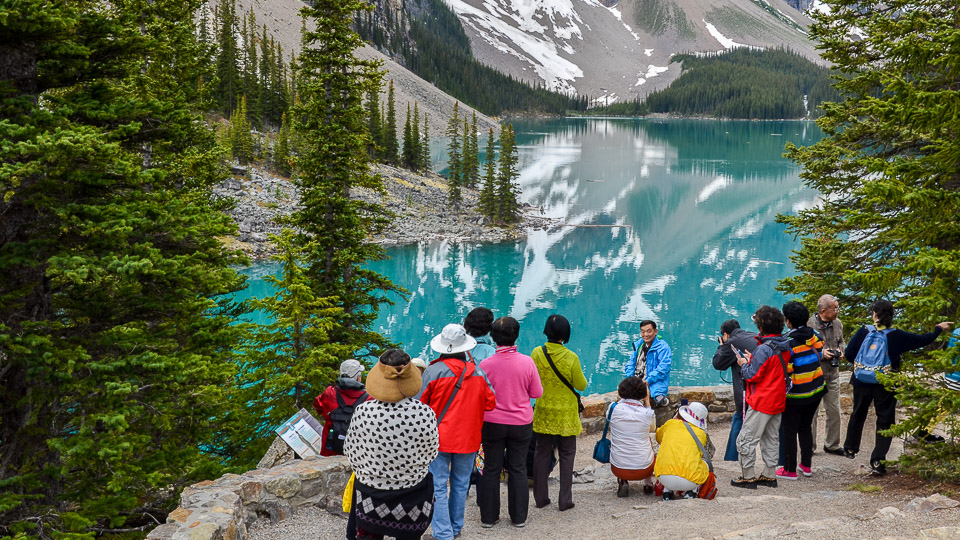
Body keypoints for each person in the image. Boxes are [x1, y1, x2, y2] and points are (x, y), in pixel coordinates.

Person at [842, 299, 953, 475]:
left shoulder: (864, 331)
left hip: (861, 381)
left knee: (858, 413)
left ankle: (850, 448)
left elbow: (848, 354)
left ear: (875, 315)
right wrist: (938, 328)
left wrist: (865, 364)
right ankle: (878, 461)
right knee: (885, 420)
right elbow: (924, 340)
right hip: (886, 383)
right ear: (892, 317)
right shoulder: (897, 336)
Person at [344, 349, 438, 540]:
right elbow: (431, 453)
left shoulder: (363, 411)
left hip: (371, 494)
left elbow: (351, 451)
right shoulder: (424, 413)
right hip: (412, 494)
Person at [418, 324, 497, 540]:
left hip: (438, 439)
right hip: (469, 437)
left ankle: (443, 533)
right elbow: (491, 403)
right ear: (465, 348)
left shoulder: (433, 372)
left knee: (438, 485)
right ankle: (455, 527)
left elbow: (419, 406)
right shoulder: (478, 373)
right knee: (461, 483)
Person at [477, 317, 543, 528]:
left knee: (491, 468)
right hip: (521, 423)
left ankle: (488, 518)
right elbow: (537, 392)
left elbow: (479, 395)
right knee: (518, 468)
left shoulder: (485, 364)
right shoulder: (527, 362)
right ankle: (518, 517)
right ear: (516, 336)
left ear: (493, 338)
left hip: (491, 422)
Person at [731, 305, 791, 489]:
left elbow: (751, 375)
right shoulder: (784, 345)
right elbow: (770, 369)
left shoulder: (764, 349)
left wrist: (743, 363)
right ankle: (769, 474)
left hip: (761, 401)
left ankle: (748, 477)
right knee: (770, 438)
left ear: (761, 326)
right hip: (777, 399)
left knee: (746, 439)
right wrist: (753, 360)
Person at [531, 314, 586, 512]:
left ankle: (541, 498)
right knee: (567, 453)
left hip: (544, 410)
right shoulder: (571, 357)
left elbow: (532, 380)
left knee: (541, 453)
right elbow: (581, 385)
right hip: (566, 414)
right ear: (565, 335)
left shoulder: (537, 353)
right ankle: (565, 500)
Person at [777, 301, 826, 480]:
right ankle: (806, 465)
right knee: (805, 427)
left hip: (796, 394)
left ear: (788, 321)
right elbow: (820, 354)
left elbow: (787, 370)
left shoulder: (789, 343)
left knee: (789, 430)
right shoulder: (815, 335)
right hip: (816, 388)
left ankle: (789, 470)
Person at [712, 319, 760, 461]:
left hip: (748, 392)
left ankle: (731, 458)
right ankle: (781, 462)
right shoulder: (752, 335)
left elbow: (718, 363)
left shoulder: (731, 342)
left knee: (739, 417)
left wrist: (721, 346)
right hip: (765, 388)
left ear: (725, 334)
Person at [808, 294, 846, 455]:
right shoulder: (809, 326)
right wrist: (821, 353)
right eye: (835, 308)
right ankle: (809, 446)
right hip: (814, 375)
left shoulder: (837, 324)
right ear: (823, 310)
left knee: (834, 411)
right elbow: (803, 349)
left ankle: (832, 445)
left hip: (833, 375)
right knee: (811, 414)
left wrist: (841, 351)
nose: (838, 311)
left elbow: (841, 341)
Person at [653, 402, 716, 500]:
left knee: (670, 459)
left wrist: (673, 419)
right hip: (690, 481)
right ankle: (692, 491)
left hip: (663, 477)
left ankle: (667, 492)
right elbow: (698, 455)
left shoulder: (670, 424)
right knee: (703, 462)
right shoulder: (701, 434)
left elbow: (658, 437)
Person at [608, 376, 657, 498]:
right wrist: (647, 402)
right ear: (643, 393)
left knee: (621, 440)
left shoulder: (612, 408)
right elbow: (652, 429)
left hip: (618, 467)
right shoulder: (647, 413)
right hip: (644, 469)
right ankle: (648, 484)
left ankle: (623, 480)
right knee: (649, 440)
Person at [313, 359, 369, 456]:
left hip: (330, 451)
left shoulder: (329, 393)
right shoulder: (369, 398)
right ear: (358, 378)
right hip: (359, 453)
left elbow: (318, 406)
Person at [624, 320, 673, 425]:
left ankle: (646, 425)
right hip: (638, 378)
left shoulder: (663, 347)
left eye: (648, 331)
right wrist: (630, 378)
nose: (645, 334)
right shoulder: (639, 345)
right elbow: (630, 364)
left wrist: (648, 380)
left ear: (655, 331)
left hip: (654, 380)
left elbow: (663, 368)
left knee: (651, 397)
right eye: (643, 332)